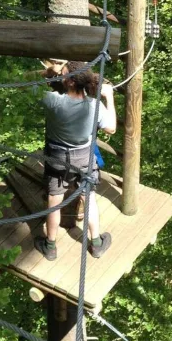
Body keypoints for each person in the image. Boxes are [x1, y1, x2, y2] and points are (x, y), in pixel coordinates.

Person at [34, 60, 116, 261]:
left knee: (55, 200)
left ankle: (50, 246)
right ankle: (96, 243)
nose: (59, 75)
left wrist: (47, 72)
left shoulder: (53, 101)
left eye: (62, 73)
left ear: (69, 82)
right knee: (88, 198)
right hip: (84, 158)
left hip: (57, 158)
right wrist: (109, 97)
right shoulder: (94, 105)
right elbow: (111, 128)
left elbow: (27, 86)